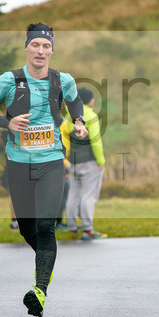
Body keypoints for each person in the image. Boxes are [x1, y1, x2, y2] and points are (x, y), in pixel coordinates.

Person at [0, 23, 88, 317]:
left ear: (52, 50)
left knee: (44, 225)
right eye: (35, 45)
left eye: (46, 46)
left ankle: (39, 290)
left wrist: (79, 123)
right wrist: (7, 123)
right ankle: (46, 263)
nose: (41, 51)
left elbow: (76, 105)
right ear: (26, 48)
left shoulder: (63, 81)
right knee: (27, 228)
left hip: (51, 162)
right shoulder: (9, 80)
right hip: (18, 164)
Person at [63, 87, 108, 239]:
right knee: (89, 195)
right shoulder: (91, 116)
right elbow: (95, 142)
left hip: (74, 161)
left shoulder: (70, 116)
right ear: (90, 100)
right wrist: (100, 161)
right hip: (89, 162)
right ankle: (88, 229)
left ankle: (72, 227)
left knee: (74, 194)